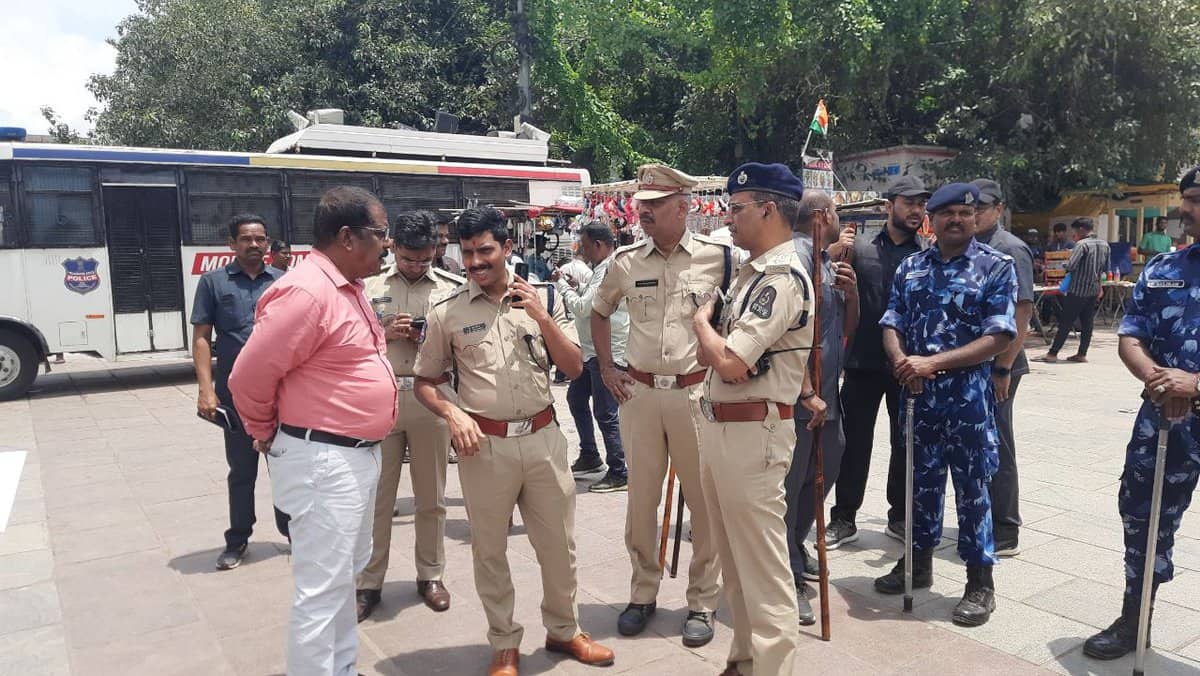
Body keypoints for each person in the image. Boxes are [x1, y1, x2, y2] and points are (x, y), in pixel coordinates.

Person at [413, 207, 613, 676]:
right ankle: (504, 644)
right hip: (485, 447)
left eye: (485, 251)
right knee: (489, 550)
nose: (476, 262)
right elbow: (425, 380)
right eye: (467, 253)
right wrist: (452, 412)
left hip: (544, 441)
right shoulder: (447, 311)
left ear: (507, 248)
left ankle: (564, 631)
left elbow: (574, 367)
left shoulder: (541, 297)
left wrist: (542, 316)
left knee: (559, 546)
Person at [228, 186, 399, 675]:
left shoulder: (347, 286)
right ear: (348, 237)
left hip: (353, 456)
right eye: (380, 234)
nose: (386, 245)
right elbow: (247, 376)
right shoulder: (307, 292)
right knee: (321, 590)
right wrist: (263, 430)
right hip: (324, 461)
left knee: (343, 579)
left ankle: (341, 668)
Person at [591, 164, 729, 648]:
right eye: (641, 204)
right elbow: (599, 311)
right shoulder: (626, 262)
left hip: (696, 393)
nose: (643, 211)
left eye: (654, 204)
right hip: (642, 394)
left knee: (704, 502)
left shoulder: (719, 260)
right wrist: (607, 368)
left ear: (683, 206)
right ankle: (642, 593)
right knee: (641, 500)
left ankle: (702, 602)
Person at [692, 162, 819, 675]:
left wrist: (700, 320)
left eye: (737, 207)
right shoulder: (751, 273)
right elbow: (715, 359)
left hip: (753, 432)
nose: (729, 216)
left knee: (763, 572)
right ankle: (744, 660)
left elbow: (728, 360)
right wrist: (712, 339)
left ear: (768, 209)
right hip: (724, 425)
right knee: (735, 565)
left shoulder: (782, 278)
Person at [873, 182, 1017, 627]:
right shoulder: (912, 266)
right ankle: (917, 564)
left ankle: (979, 581)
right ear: (931, 220)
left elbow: (999, 335)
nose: (956, 219)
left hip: (968, 397)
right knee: (919, 483)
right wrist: (900, 360)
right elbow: (891, 319)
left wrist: (930, 362)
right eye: (946, 213)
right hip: (917, 397)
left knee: (974, 489)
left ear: (977, 218)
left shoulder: (997, 267)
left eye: (964, 213)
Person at [1083, 165, 1200, 660]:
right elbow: (1131, 334)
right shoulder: (1164, 269)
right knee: (1144, 517)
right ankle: (1136, 619)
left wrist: (1196, 385)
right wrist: (1159, 380)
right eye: (1188, 198)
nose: (1186, 209)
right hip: (1166, 421)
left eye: (1196, 200)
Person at [356, 210, 464, 622]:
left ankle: (430, 574)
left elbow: (465, 344)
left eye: (424, 259)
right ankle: (369, 582)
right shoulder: (369, 287)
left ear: (435, 250)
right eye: (408, 259)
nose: (416, 267)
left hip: (431, 397)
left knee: (431, 496)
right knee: (377, 498)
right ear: (392, 247)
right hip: (382, 397)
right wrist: (382, 333)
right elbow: (348, 342)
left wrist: (431, 339)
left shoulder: (452, 289)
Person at [826, 175, 931, 547]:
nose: (916, 210)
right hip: (863, 362)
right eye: (908, 203)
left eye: (921, 204)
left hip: (907, 366)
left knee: (906, 443)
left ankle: (899, 516)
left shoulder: (926, 256)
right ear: (890, 206)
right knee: (854, 442)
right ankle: (844, 517)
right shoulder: (861, 250)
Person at [191, 213, 289, 570]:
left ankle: (292, 531)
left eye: (260, 239)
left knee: (285, 469)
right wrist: (205, 390)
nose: (254, 245)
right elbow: (202, 338)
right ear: (232, 244)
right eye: (246, 239)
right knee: (242, 471)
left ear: (268, 243)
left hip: (280, 397)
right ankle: (237, 540)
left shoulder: (282, 281)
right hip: (233, 400)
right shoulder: (213, 283)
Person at [784, 190, 858, 625]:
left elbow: (846, 328)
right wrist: (803, 389)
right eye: (835, 215)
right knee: (791, 486)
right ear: (824, 216)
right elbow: (787, 339)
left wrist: (853, 293)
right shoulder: (794, 261)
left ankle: (797, 544)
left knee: (824, 473)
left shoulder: (827, 262)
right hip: (799, 402)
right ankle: (788, 574)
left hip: (829, 395)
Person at [972, 178, 1035, 556]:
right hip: (972, 363)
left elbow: (1022, 311)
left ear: (999, 209)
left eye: (981, 207)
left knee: (998, 443)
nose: (973, 214)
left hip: (1000, 366)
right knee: (978, 443)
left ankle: (1006, 527)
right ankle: (985, 517)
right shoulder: (972, 248)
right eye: (969, 207)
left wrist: (1004, 367)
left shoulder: (1011, 249)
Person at [553, 224, 629, 492]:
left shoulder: (609, 267)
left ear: (598, 244)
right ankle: (590, 456)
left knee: (606, 413)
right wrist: (578, 285)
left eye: (584, 247)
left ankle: (619, 471)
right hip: (591, 352)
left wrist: (562, 286)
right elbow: (593, 293)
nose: (581, 253)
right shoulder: (602, 269)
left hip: (605, 352)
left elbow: (585, 309)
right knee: (576, 397)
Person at [1038, 217, 1110, 364]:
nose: (1074, 234)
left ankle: (1053, 353)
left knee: (1066, 321)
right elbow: (1105, 268)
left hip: (1078, 289)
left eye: (1075, 231)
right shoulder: (1105, 245)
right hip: (1093, 289)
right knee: (1087, 322)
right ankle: (1082, 353)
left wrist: (1060, 265)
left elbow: (1071, 266)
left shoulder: (1081, 245)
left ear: (1081, 230)